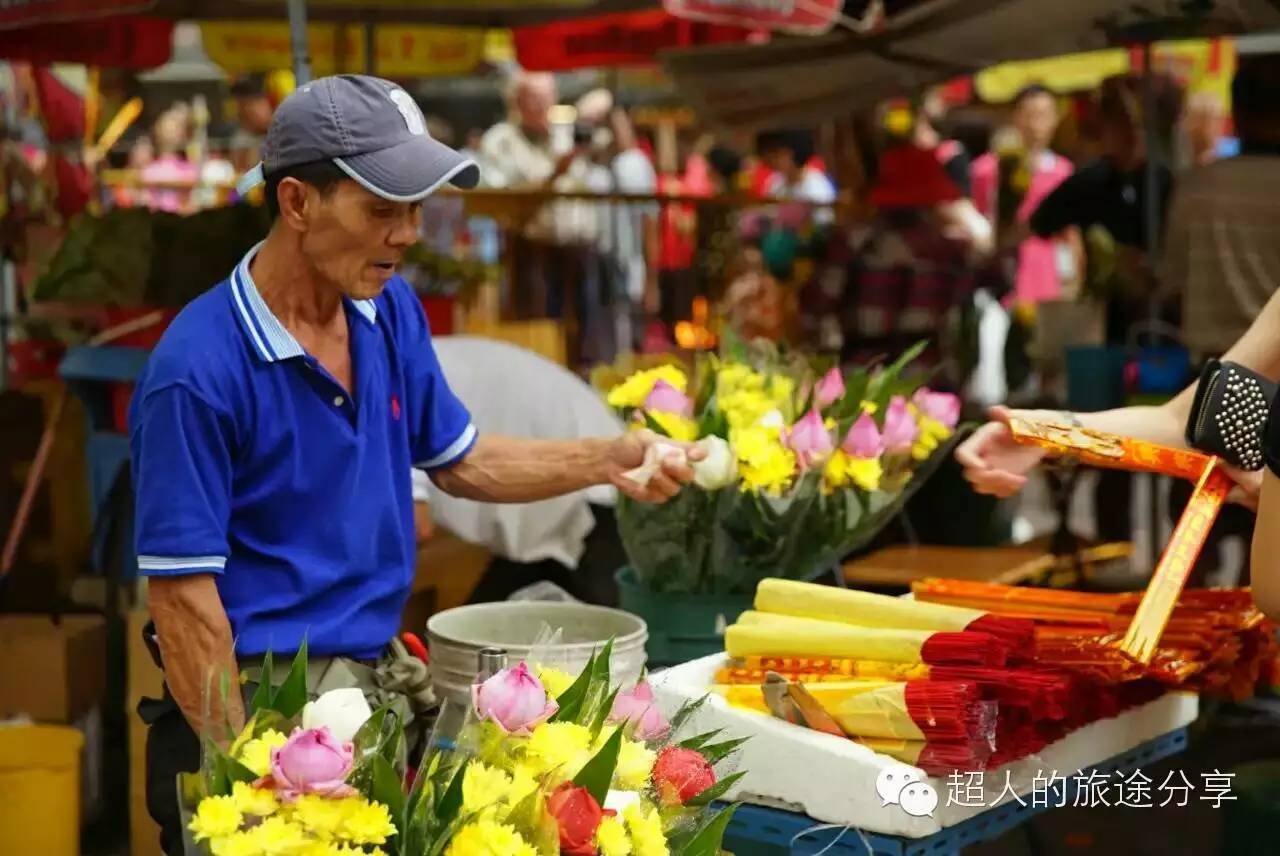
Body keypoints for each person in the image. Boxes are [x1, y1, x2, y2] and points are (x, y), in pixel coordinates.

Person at [130, 74, 699, 856]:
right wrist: (255, 783)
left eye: (415, 207)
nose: (407, 234)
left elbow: (463, 461)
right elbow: (185, 603)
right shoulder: (197, 370)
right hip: (266, 697)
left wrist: (608, 457)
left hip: (374, 681)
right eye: (380, 208)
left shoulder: (385, 307)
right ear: (296, 203)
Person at [411, 336, 627, 605]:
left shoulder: (390, 377)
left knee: (606, 635)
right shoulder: (421, 356)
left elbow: (416, 524)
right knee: (482, 632)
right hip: (563, 477)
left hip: (591, 492)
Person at [971, 84, 1075, 306]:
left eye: (1044, 115)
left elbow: (1068, 236)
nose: (1036, 124)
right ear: (1015, 117)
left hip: (1047, 275)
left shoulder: (1063, 172)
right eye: (1030, 115)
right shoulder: (986, 170)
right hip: (1001, 276)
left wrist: (1069, 278)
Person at [757, 129, 836, 225]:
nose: (774, 160)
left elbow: (825, 221)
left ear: (795, 153)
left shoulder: (817, 186)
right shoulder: (774, 183)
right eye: (773, 155)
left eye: (780, 154)